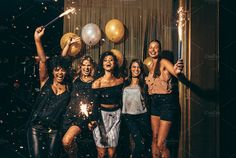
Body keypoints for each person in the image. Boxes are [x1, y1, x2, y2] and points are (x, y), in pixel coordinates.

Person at [27, 26, 71, 158]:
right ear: (52, 71)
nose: (60, 72)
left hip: (54, 130)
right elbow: (43, 60)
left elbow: (61, 61)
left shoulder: (69, 88)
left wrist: (68, 46)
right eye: (56, 70)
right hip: (36, 128)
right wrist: (37, 40)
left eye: (62, 70)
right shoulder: (45, 81)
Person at [145, 40, 183, 158]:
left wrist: (177, 70)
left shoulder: (164, 62)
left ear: (159, 50)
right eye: (151, 47)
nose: (153, 50)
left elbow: (175, 73)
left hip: (167, 103)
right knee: (155, 138)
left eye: (156, 47)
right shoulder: (149, 66)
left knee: (161, 143)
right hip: (154, 103)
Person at [62, 55, 96, 158]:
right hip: (69, 116)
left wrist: (92, 119)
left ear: (92, 67)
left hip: (82, 118)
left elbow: (96, 102)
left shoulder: (95, 82)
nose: (86, 68)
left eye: (88, 65)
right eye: (84, 65)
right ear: (80, 67)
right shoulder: (74, 80)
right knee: (68, 144)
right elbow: (63, 61)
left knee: (66, 141)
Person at [91, 51, 124, 158]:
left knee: (111, 153)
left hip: (116, 116)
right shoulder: (97, 83)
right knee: (101, 153)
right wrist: (93, 121)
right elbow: (94, 105)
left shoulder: (120, 80)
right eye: (105, 60)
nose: (108, 62)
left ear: (115, 63)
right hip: (101, 117)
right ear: (102, 64)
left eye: (111, 60)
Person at [122, 59, 151, 158]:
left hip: (142, 116)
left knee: (143, 144)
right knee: (138, 144)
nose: (136, 69)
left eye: (138, 67)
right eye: (134, 67)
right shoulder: (124, 83)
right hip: (128, 117)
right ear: (130, 69)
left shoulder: (145, 83)